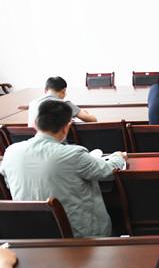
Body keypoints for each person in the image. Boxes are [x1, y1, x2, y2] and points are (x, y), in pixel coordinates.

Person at [0, 100, 126, 237]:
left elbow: (9, 183)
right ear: (66, 127)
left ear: (35, 123)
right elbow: (107, 172)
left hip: (32, 233)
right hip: (81, 235)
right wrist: (118, 157)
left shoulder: (11, 152)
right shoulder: (73, 154)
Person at [27, 76, 96, 127]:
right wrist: (86, 113)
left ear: (45, 90)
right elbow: (93, 120)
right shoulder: (64, 105)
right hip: (57, 142)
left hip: (33, 141)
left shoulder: (32, 104)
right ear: (63, 91)